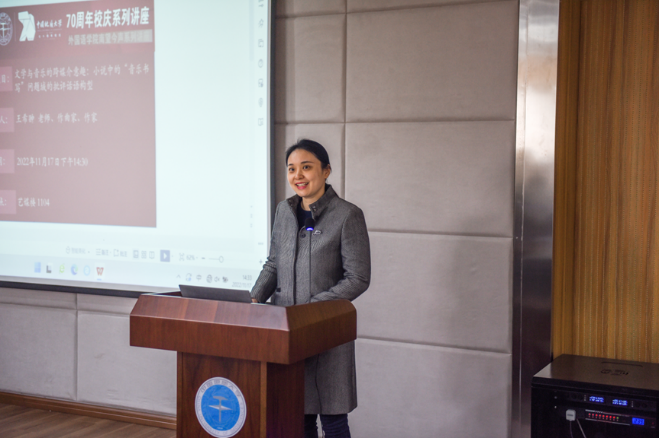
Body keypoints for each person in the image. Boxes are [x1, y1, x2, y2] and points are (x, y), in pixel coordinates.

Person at [251, 139, 371, 438]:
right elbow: (274, 263)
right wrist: (253, 299)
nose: (298, 175)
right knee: (297, 418)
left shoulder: (347, 215)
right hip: (285, 333)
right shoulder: (284, 211)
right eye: (292, 169)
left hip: (326, 332)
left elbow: (357, 277)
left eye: (306, 167)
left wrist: (311, 310)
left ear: (326, 171)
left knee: (333, 421)